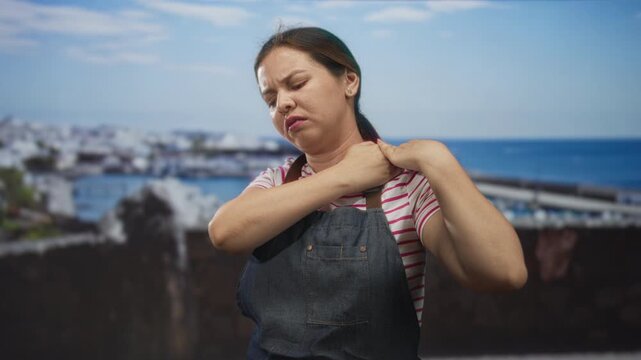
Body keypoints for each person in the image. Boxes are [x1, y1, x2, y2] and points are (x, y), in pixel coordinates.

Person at [208, 26, 527, 360]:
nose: (283, 104)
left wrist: (437, 160)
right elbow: (225, 232)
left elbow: (505, 272)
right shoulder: (278, 181)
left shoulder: (407, 187)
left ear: (349, 82)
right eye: (270, 101)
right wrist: (345, 176)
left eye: (297, 84)